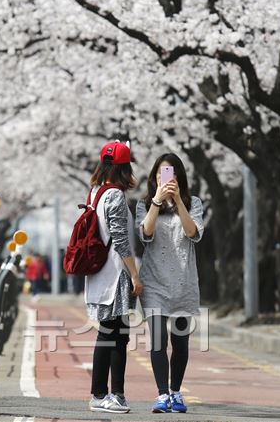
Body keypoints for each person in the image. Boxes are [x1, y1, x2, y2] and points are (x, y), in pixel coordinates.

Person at [135, 152, 204, 414]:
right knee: (158, 340)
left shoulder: (194, 203)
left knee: (181, 343)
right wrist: (157, 201)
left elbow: (192, 232)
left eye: (172, 173)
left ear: (179, 177)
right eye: (162, 174)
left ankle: (176, 392)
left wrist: (178, 201)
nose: (167, 179)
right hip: (154, 282)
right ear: (154, 178)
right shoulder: (144, 205)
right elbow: (146, 234)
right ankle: (162, 394)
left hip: (184, 282)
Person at [86, 141, 143, 414]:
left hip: (99, 273)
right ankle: (115, 395)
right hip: (117, 273)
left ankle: (99, 393)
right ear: (125, 168)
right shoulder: (116, 196)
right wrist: (135, 275)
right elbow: (121, 241)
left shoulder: (95, 192)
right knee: (118, 335)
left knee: (107, 333)